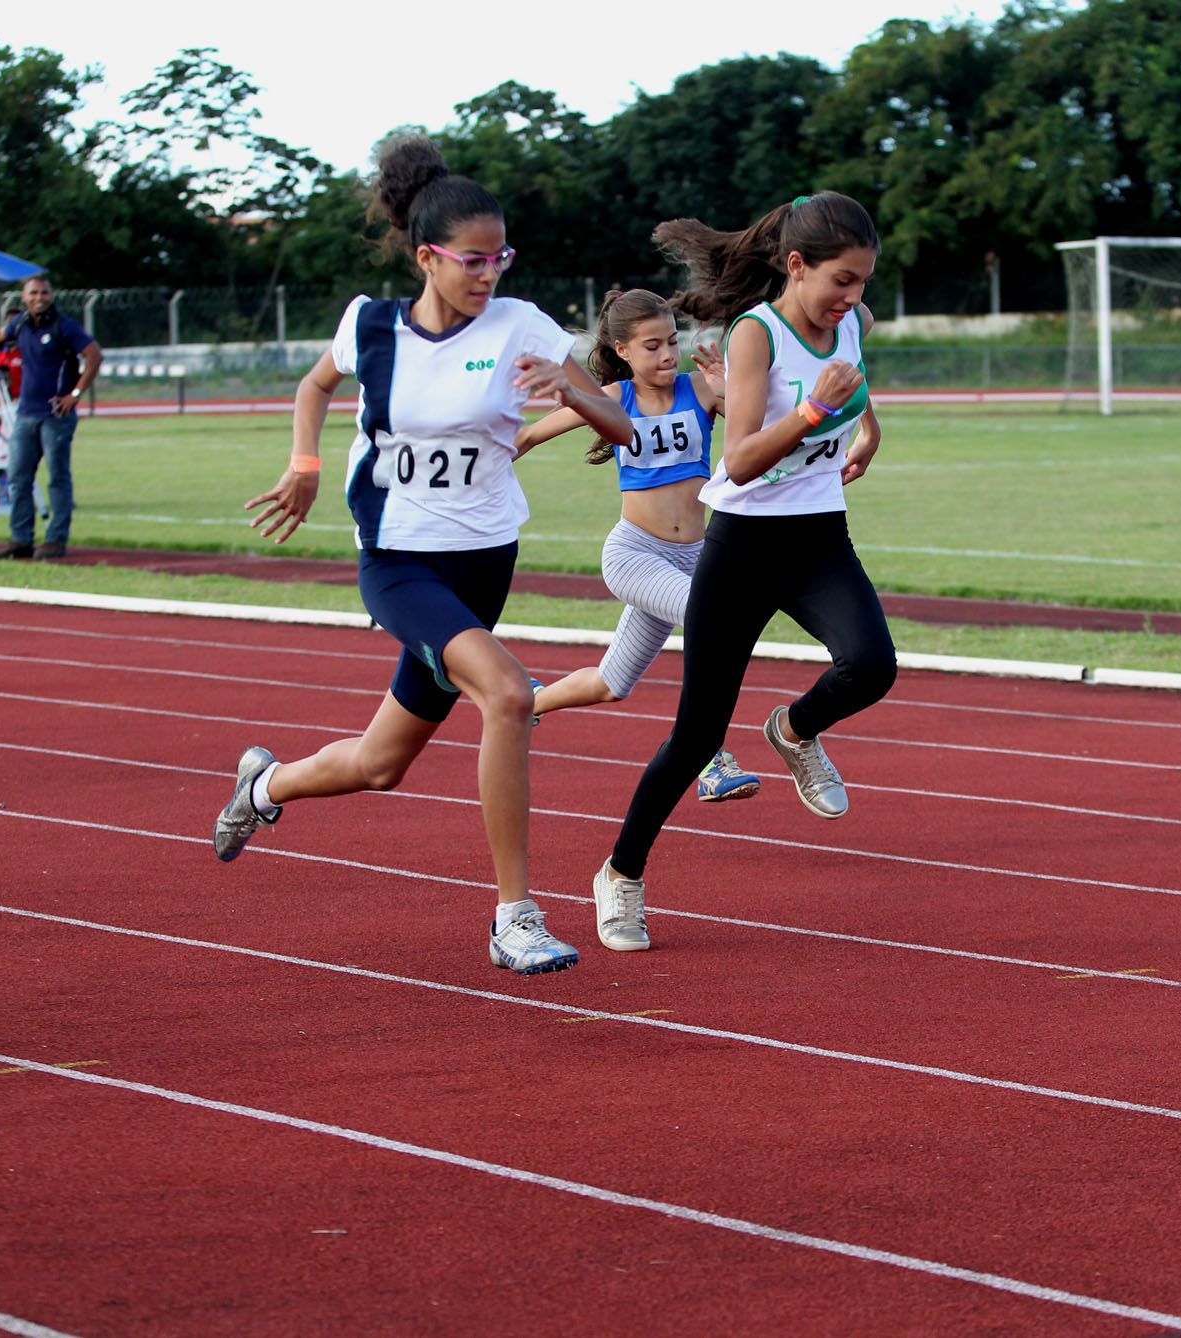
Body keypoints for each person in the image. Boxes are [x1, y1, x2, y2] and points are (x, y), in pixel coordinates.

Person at [211, 135, 634, 976]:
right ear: (426, 256)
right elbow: (314, 387)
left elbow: (621, 426)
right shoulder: (371, 324)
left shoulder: (523, 325)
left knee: (380, 765)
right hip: (399, 559)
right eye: (473, 261)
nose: (489, 275)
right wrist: (304, 464)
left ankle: (262, 787)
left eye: (500, 258)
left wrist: (575, 392)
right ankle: (515, 916)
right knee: (510, 695)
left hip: (485, 559)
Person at [591, 192, 894, 953]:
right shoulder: (754, 335)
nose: (854, 298)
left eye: (862, 282)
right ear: (797, 266)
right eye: (842, 281)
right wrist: (815, 418)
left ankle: (794, 730)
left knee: (871, 666)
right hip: (744, 545)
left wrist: (866, 429)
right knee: (695, 738)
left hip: (821, 538)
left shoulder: (849, 324)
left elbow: (854, 387)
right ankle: (621, 875)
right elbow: (742, 458)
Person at [514, 288, 762, 803]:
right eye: (652, 346)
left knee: (612, 683)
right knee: (712, 622)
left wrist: (731, 387)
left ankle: (527, 703)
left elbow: (758, 430)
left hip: (696, 555)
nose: (668, 354)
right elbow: (531, 436)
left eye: (672, 341)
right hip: (634, 555)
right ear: (623, 350)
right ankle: (711, 759)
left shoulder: (703, 388)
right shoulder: (612, 399)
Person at [0, 275, 100, 560]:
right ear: (24, 298)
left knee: (57, 477)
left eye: (44, 293)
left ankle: (56, 539)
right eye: (33, 293)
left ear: (51, 295)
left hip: (56, 414)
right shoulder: (21, 323)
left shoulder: (64, 326)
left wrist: (75, 394)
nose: (39, 298)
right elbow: (0, 334)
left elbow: (94, 355)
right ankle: (21, 539)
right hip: (26, 414)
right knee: (18, 477)